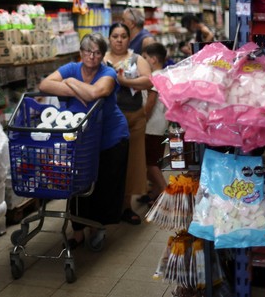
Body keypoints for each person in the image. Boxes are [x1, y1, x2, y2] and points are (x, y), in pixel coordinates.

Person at [39, 33, 129, 247]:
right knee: (78, 187)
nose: (92, 56)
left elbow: (96, 93)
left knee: (102, 187)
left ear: (102, 54)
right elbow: (45, 85)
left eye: (97, 52)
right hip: (80, 139)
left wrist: (71, 85)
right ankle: (77, 232)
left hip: (110, 137)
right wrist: (74, 85)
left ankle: (97, 228)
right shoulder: (71, 68)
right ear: (81, 53)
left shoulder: (108, 73)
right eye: (88, 51)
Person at [104, 22, 152, 224]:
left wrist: (125, 82)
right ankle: (107, 206)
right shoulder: (102, 59)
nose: (119, 40)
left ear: (129, 38)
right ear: (109, 38)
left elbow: (149, 81)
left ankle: (126, 206)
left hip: (133, 118)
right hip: (108, 120)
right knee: (111, 164)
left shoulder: (136, 59)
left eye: (123, 36)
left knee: (133, 163)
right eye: (115, 36)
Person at [142, 42, 169, 200]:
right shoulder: (165, 74)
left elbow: (151, 103)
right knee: (154, 161)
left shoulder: (155, 77)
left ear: (152, 60)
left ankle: (166, 193)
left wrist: (142, 120)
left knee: (151, 163)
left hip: (152, 126)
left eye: (145, 58)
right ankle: (155, 193)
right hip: (161, 124)